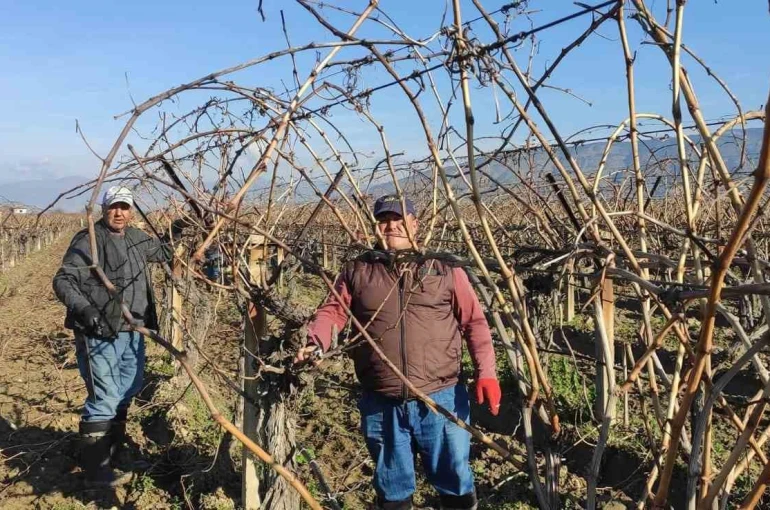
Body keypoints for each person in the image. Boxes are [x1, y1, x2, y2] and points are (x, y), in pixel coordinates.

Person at [298, 194, 501, 510]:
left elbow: (474, 322)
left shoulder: (442, 268)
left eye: (398, 219)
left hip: (441, 397)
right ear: (376, 227)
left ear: (415, 224)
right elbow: (333, 312)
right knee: (392, 489)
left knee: (455, 482)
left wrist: (486, 372)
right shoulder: (358, 269)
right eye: (383, 220)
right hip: (382, 401)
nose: (391, 226)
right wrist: (316, 342)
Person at [53, 186, 185, 487]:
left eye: (125, 207)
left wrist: (181, 227)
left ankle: (113, 453)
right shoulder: (89, 240)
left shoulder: (137, 238)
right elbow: (63, 279)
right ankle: (96, 470)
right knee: (105, 396)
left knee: (129, 389)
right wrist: (86, 311)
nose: (119, 212)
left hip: (133, 328)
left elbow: (163, 251)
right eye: (114, 206)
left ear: (131, 210)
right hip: (100, 330)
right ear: (104, 208)